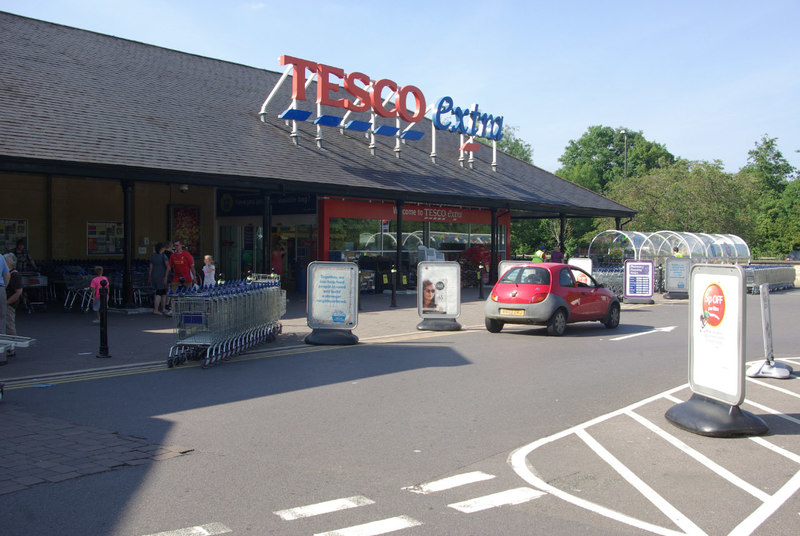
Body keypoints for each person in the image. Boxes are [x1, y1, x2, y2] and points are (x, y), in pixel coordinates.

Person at [4, 253, 23, 357]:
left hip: (9, 304)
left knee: (9, 326)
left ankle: (11, 348)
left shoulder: (15, 275)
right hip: (6, 303)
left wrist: (7, 302)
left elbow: (18, 291)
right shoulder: (7, 273)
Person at [148, 242, 169, 315]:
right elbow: (167, 267)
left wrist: (150, 276)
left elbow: (150, 268)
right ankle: (157, 309)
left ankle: (162, 308)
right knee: (160, 293)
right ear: (162, 249)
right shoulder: (164, 256)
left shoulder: (153, 256)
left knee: (161, 292)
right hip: (162, 276)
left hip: (154, 275)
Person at [0, 254, 9, 365]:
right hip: (0, 289)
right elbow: (7, 275)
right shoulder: (1, 257)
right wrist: (3, 288)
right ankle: (2, 357)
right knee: (1, 322)